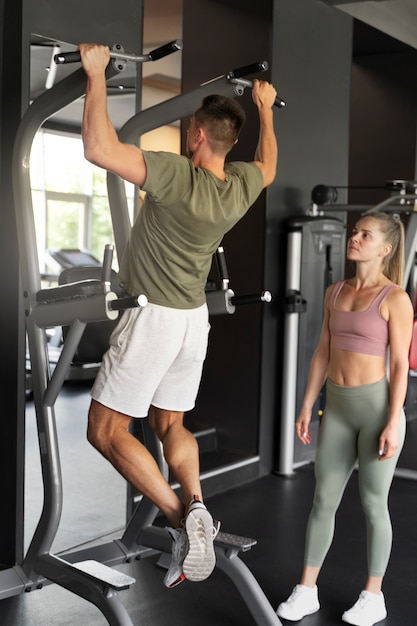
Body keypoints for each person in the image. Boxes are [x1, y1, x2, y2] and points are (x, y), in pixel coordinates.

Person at [78, 43, 278, 589]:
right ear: (227, 141)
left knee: (104, 429)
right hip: (194, 320)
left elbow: (99, 147)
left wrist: (95, 73)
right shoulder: (237, 186)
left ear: (195, 135)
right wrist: (264, 106)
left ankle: (182, 521)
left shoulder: (173, 175)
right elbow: (268, 163)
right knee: (172, 425)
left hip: (154, 318)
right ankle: (196, 503)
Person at [277, 212, 413, 625]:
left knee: (374, 504)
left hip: (376, 412)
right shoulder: (335, 291)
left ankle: (374, 595)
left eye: (364, 235)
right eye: (354, 232)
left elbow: (401, 366)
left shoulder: (395, 299)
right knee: (322, 500)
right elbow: (322, 351)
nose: (354, 238)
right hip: (336, 408)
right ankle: (306, 590)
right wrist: (306, 405)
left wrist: (393, 420)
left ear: (384, 249)